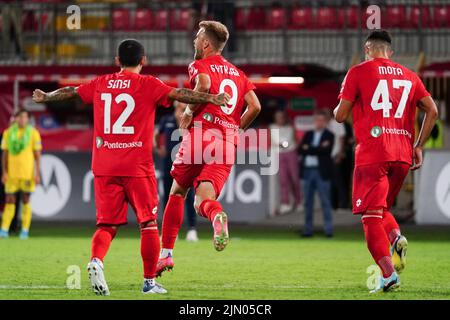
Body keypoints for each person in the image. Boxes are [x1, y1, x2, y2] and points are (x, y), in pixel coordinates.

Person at [31, 39, 230, 295]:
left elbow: (70, 90)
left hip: (104, 165)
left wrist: (47, 96)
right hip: (137, 166)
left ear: (117, 61)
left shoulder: (101, 83)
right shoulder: (148, 84)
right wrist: (212, 97)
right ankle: (149, 283)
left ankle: (96, 261)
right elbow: (181, 94)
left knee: (106, 226)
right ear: (143, 60)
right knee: (147, 224)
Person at [335, 30, 438, 293]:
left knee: (370, 218)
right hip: (402, 153)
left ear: (367, 48)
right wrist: (418, 146)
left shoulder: (358, 72)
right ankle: (396, 237)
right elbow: (432, 110)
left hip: (373, 152)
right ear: (390, 51)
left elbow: (340, 115)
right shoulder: (410, 75)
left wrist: (340, 103)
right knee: (380, 210)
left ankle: (389, 275)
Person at [157, 20, 261, 277]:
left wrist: (189, 111)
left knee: (178, 192)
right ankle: (217, 217)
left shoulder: (199, 64)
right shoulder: (239, 74)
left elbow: (203, 86)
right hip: (226, 142)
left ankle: (166, 254)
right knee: (204, 201)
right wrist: (236, 129)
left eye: (197, 37)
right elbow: (255, 106)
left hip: (202, 134)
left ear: (205, 43)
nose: (194, 41)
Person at [155, 101, 198, 242]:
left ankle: (192, 229)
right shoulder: (166, 120)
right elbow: (156, 134)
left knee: (189, 196)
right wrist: (159, 148)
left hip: (186, 163)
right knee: (168, 197)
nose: (181, 103)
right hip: (168, 162)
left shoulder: (190, 117)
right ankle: (169, 231)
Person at [0, 109, 41, 240]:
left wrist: (37, 173)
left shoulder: (33, 133)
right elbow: (4, 155)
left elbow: (37, 156)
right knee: (9, 200)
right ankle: (4, 229)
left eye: (24, 117)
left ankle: (24, 230)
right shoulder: (8, 133)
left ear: (28, 119)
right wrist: (4, 172)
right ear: (16, 118)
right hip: (12, 174)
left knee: (26, 200)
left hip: (27, 174)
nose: (22, 119)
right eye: (20, 117)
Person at [299, 110, 334, 238]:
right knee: (307, 202)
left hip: (321, 171)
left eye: (321, 120)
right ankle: (308, 230)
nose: (319, 122)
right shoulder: (308, 134)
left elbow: (326, 151)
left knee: (325, 201)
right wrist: (317, 148)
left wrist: (310, 148)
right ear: (314, 121)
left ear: (325, 122)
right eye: (317, 120)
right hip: (307, 170)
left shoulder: (329, 135)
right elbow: (300, 149)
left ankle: (328, 230)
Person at [270, 110, 301, 214]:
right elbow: (274, 141)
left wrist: (285, 144)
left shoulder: (290, 128)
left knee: (294, 178)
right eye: (278, 117)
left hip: (291, 153)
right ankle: (285, 203)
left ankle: (298, 202)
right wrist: (281, 144)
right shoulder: (272, 127)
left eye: (282, 117)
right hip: (279, 154)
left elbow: (293, 140)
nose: (280, 119)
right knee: (283, 180)